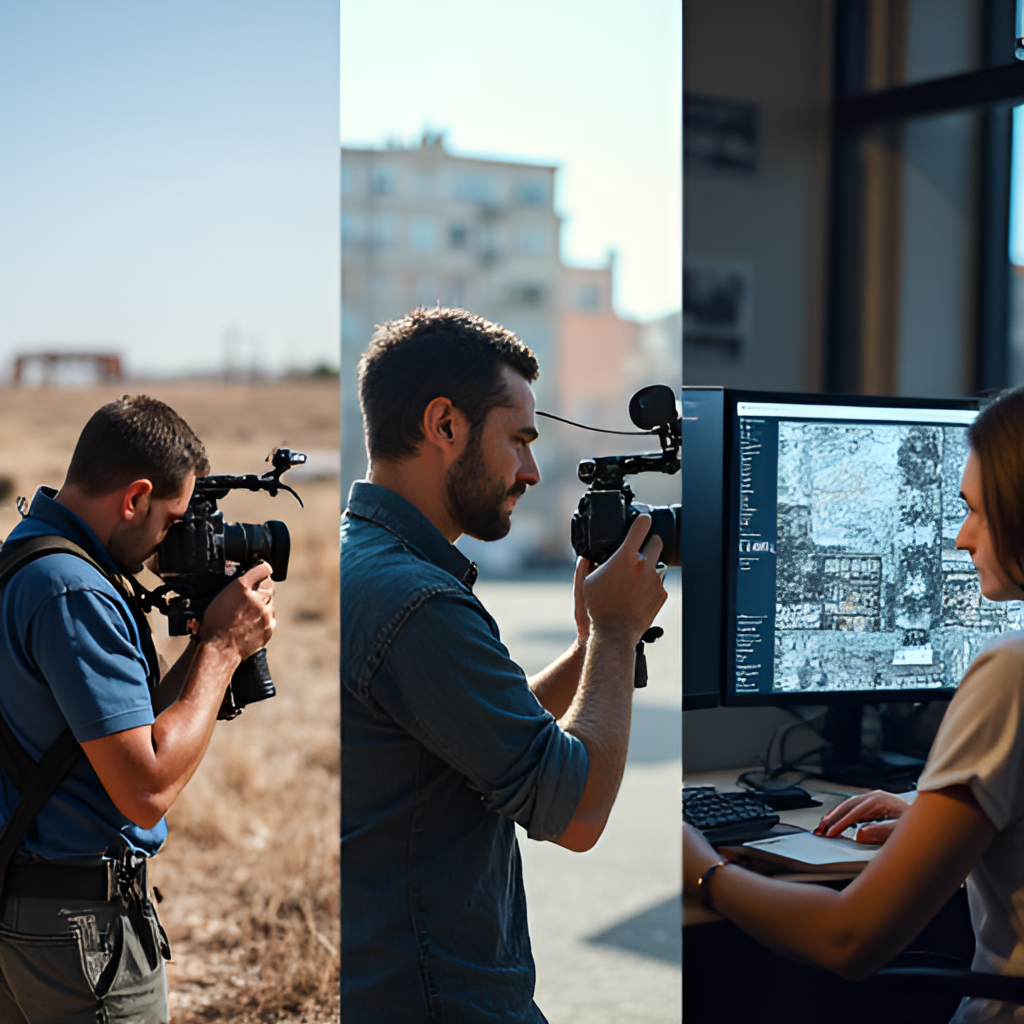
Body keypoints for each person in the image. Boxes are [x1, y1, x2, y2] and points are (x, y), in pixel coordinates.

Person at [341, 307, 668, 1022]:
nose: (528, 470)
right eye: (518, 440)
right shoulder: (417, 602)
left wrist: (587, 648)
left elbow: (481, 725)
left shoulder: (364, 564)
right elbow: (578, 814)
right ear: (444, 426)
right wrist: (615, 635)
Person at [684, 384, 1024, 1024]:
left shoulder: (1013, 671)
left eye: (979, 510)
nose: (960, 538)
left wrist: (702, 869)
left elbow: (849, 940)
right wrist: (943, 822)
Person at [0, 395, 276, 1024]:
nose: (168, 541)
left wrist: (211, 643)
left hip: (29, 914)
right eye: (171, 517)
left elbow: (112, 731)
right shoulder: (74, 591)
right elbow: (144, 789)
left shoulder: (26, 556)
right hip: (78, 933)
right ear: (134, 498)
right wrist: (221, 647)